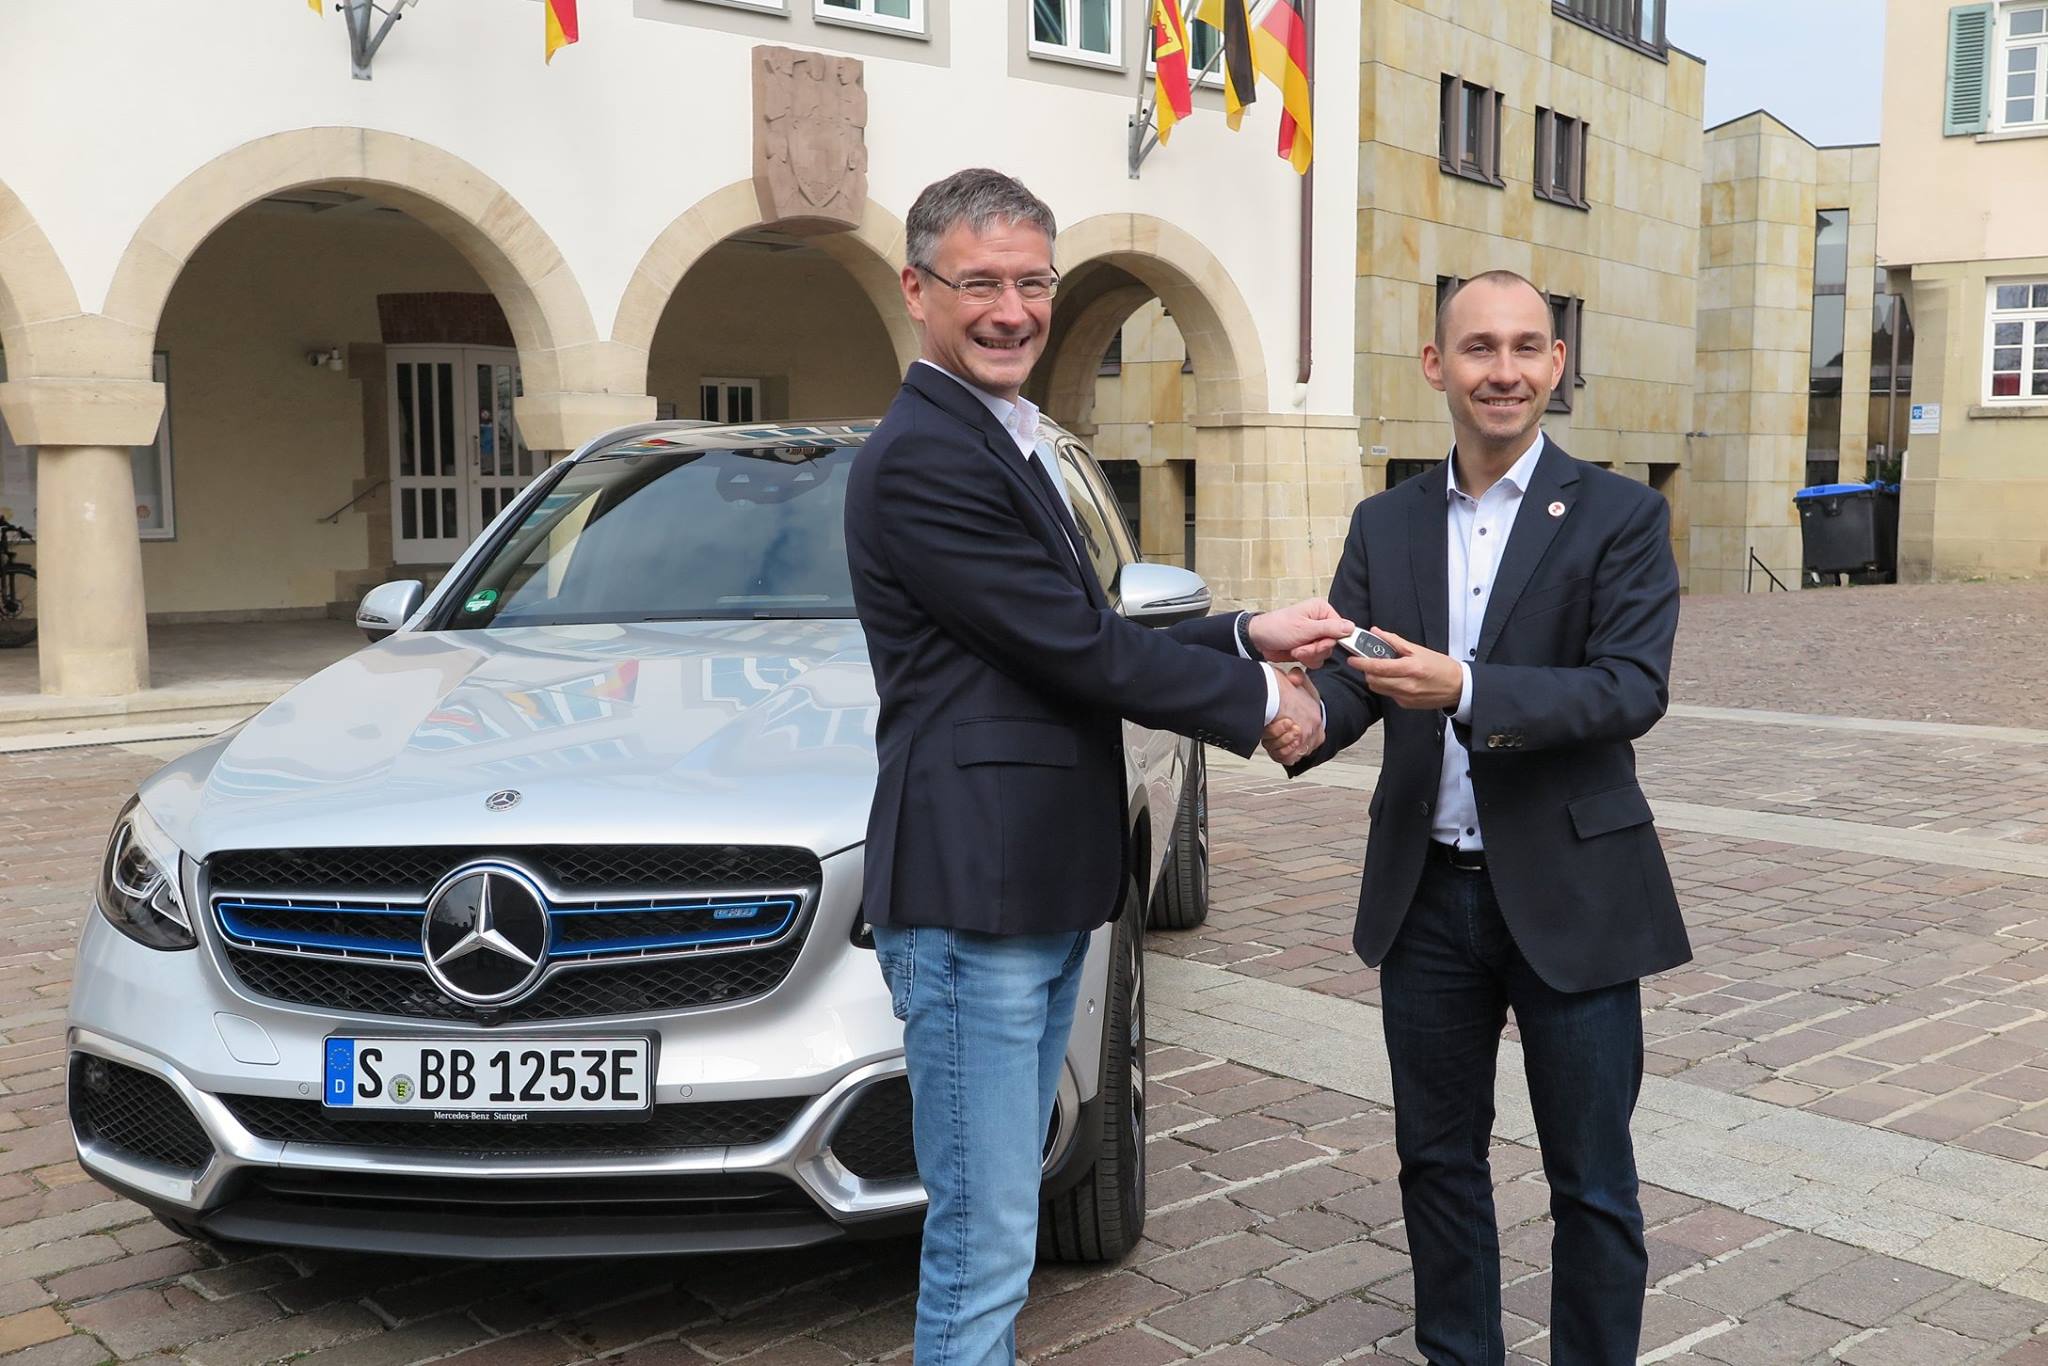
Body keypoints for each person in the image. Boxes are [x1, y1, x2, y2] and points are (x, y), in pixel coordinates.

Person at [843, 166, 1345, 1366]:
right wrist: (1260, 698)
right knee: (982, 1244)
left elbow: (1062, 638)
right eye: (979, 283)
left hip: (1023, 887)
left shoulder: (1000, 438)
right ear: (917, 290)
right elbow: (1070, 647)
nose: (1012, 308)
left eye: (1031, 281)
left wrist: (1239, 630)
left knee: (998, 1229)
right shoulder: (925, 456)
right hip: (974, 901)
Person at [1270, 270, 1690, 1366]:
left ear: (1554, 363)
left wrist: (1468, 689)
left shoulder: (1622, 514)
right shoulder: (1383, 521)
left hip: (1571, 894)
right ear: (1434, 366)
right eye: (1475, 348)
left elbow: (1627, 688)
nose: (1499, 370)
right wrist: (1303, 717)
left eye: (1522, 347)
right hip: (1426, 898)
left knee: (1590, 1181)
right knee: (1436, 1163)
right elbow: (1363, 679)